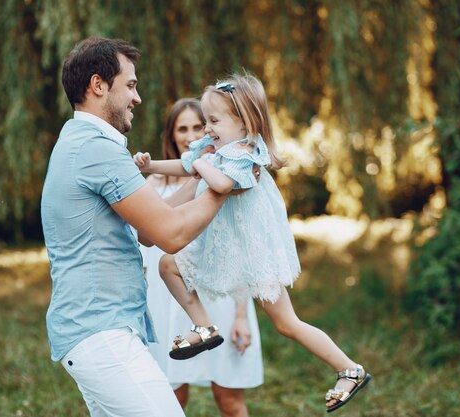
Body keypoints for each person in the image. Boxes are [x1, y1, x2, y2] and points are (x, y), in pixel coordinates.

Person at [133, 73, 373, 413]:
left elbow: (219, 183)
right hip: (226, 249)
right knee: (167, 264)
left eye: (213, 121)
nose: (207, 130)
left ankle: (349, 369)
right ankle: (203, 325)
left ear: (244, 122)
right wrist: (150, 165)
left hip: (252, 252)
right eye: (206, 121)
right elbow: (186, 164)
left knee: (287, 323)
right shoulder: (215, 150)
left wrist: (202, 162)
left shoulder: (246, 154)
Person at [40, 37, 234, 417]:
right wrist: (228, 180)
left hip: (97, 332)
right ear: (98, 85)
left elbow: (149, 230)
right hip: (101, 335)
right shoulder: (97, 150)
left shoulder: (79, 141)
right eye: (130, 85)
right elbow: (171, 235)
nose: (138, 97)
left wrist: (199, 175)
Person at [141, 98, 263, 417]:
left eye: (198, 125)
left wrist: (240, 315)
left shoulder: (225, 174)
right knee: (171, 400)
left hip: (218, 297)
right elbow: (146, 240)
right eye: (182, 128)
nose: (192, 134)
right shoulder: (151, 186)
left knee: (229, 399)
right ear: (171, 135)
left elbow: (239, 246)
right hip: (169, 302)